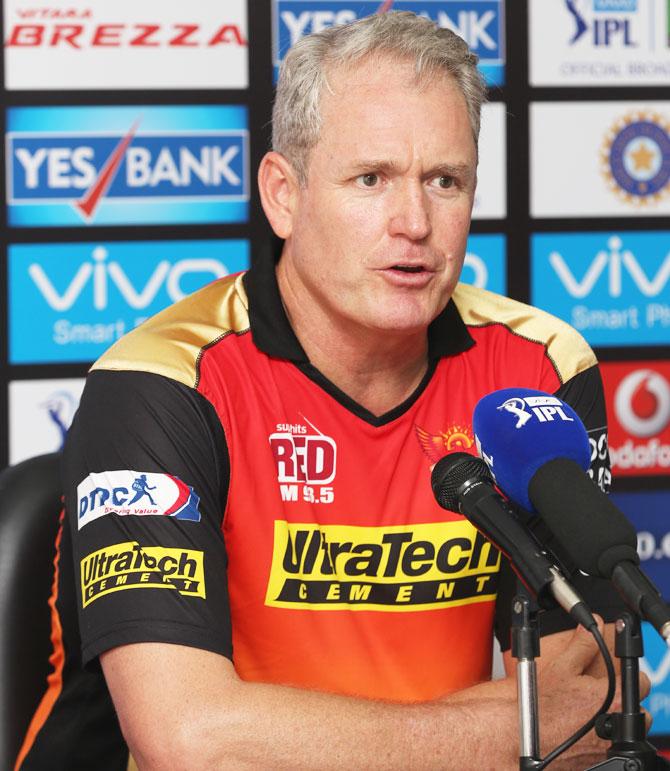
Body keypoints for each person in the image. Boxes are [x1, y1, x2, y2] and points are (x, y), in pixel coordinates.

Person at [17, 12, 645, 770]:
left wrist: (293, 735)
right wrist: (504, 731)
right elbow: (192, 743)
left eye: (444, 181)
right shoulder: (160, 382)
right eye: (370, 179)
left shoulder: (541, 369)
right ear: (284, 194)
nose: (414, 222)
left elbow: (591, 695)